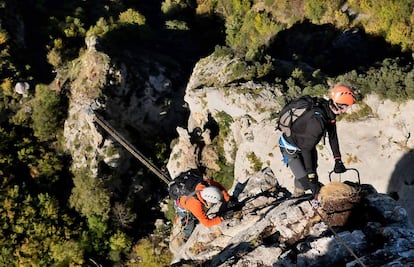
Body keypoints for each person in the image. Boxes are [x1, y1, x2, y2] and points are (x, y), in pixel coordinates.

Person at [278, 85, 356, 197]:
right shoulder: (317, 121)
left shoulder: (328, 113)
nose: (347, 110)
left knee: (310, 176)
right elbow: (306, 149)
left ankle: (299, 194)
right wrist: (311, 176)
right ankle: (297, 197)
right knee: (308, 182)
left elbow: (333, 136)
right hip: (290, 148)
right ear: (340, 106)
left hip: (307, 145)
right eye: (347, 106)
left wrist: (337, 159)